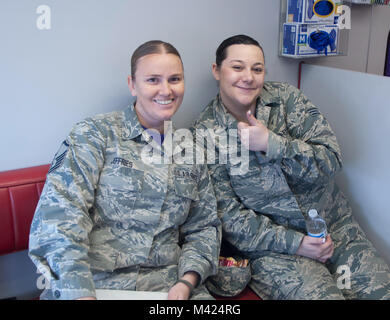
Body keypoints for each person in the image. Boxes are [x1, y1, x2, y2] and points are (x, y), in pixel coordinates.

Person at [192, 34, 390, 300]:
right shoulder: (204, 134)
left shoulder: (287, 100)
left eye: (257, 69)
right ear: (217, 71)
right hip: (276, 250)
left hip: (334, 227)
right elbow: (228, 217)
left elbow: (331, 159)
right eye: (237, 67)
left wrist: (273, 144)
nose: (248, 77)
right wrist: (297, 244)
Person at [29, 40, 221, 300]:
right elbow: (60, 217)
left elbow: (205, 227)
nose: (166, 90)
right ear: (132, 84)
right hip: (94, 283)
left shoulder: (192, 150)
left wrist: (187, 282)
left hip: (168, 287)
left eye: (175, 79)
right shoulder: (94, 135)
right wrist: (80, 293)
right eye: (153, 80)